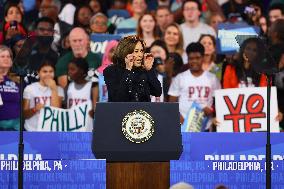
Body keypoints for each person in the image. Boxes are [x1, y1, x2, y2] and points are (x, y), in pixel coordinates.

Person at [168, 42, 221, 127]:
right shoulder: (180, 78)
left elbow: (218, 102)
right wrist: (182, 121)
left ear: (203, 58)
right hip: (184, 126)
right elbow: (171, 104)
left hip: (206, 126)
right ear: (187, 59)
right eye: (191, 58)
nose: (194, 61)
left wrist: (212, 111)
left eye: (197, 58)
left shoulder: (212, 78)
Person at [103, 35, 162, 102]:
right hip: (120, 111)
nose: (140, 55)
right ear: (125, 53)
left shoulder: (143, 71)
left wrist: (149, 70)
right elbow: (117, 98)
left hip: (142, 111)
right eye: (136, 51)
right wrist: (128, 70)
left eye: (141, 51)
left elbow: (157, 92)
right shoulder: (111, 71)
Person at [23, 60, 64, 131]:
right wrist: (34, 109)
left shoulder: (59, 89)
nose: (48, 74)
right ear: (38, 73)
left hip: (51, 131)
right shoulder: (29, 88)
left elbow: (56, 113)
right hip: (32, 130)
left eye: (51, 71)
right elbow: (25, 115)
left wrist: (54, 89)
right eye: (45, 71)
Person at [67, 58, 98, 131]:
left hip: (88, 129)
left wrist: (93, 112)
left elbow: (96, 110)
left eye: (72, 69)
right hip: (71, 129)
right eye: (68, 69)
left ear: (81, 71)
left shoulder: (93, 86)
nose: (69, 72)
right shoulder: (69, 87)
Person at [0, 45, 20, 131]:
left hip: (16, 125)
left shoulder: (17, 80)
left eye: (8, 56)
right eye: (2, 56)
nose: (6, 58)